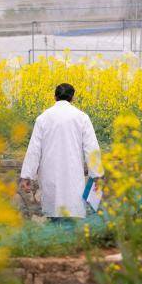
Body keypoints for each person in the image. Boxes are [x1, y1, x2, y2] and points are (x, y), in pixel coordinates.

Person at [19, 82, 103, 219]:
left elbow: (34, 150)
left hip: (50, 174)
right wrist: (97, 175)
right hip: (73, 175)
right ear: (73, 98)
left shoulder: (43, 118)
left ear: (55, 97)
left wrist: (27, 176)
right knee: (73, 213)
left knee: (53, 214)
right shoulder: (82, 118)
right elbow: (91, 148)